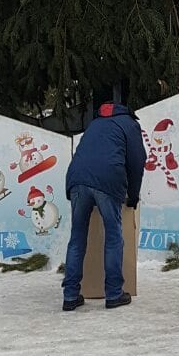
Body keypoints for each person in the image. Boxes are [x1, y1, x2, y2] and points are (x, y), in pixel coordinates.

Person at [62, 102, 146, 312]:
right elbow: (137, 161)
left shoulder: (94, 124)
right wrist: (133, 197)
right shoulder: (129, 124)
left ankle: (70, 295)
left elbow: (83, 156)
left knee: (77, 237)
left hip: (77, 180)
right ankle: (114, 294)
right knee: (113, 236)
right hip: (107, 180)